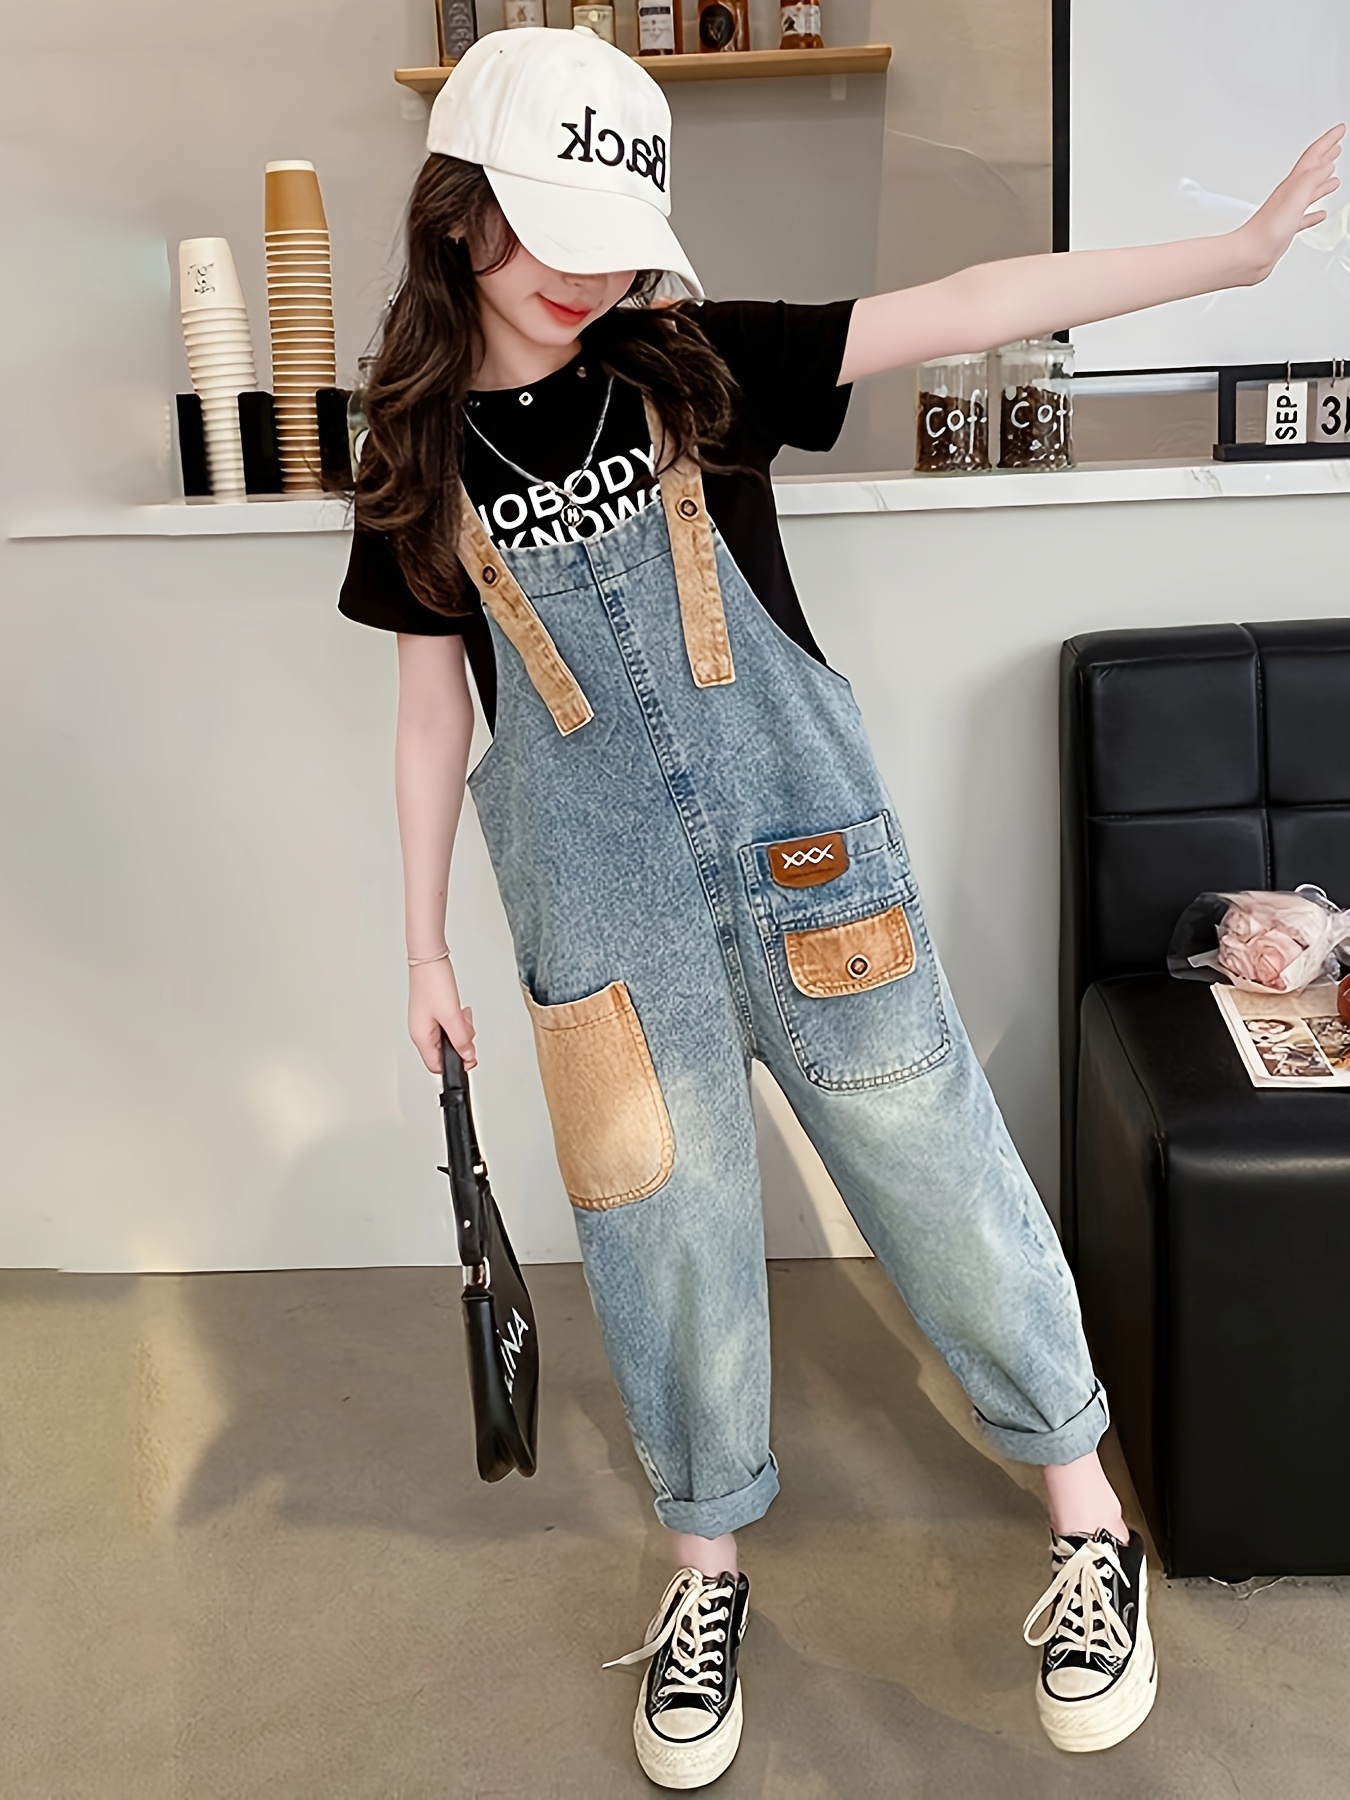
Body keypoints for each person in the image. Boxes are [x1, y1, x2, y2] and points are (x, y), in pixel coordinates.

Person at [336, 26, 1341, 1788]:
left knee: (938, 1177)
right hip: (599, 924)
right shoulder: (412, 451)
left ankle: (1085, 1518)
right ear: (459, 210)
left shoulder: (699, 362)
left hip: (810, 870)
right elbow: (433, 710)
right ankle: (705, 1566)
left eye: (614, 242)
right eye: (555, 232)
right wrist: (418, 942)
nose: (590, 275)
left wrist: (1233, 256)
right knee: (662, 1234)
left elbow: (965, 301)